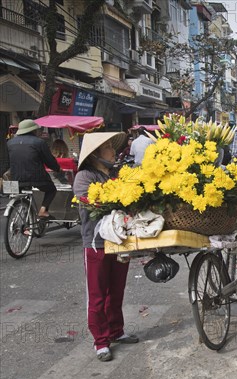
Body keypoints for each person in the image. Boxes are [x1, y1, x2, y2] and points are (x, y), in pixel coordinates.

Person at [73, 132, 139, 362]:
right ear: (96, 155)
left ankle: (116, 331)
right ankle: (101, 341)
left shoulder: (115, 174)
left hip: (119, 242)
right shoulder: (84, 177)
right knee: (98, 295)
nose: (114, 151)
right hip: (96, 244)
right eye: (109, 148)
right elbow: (90, 204)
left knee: (117, 291)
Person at [7, 119, 62, 218]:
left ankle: (23, 218)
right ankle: (43, 210)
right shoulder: (39, 142)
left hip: (16, 179)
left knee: (21, 197)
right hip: (37, 178)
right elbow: (49, 161)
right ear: (33, 130)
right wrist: (57, 168)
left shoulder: (10, 143)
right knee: (51, 189)